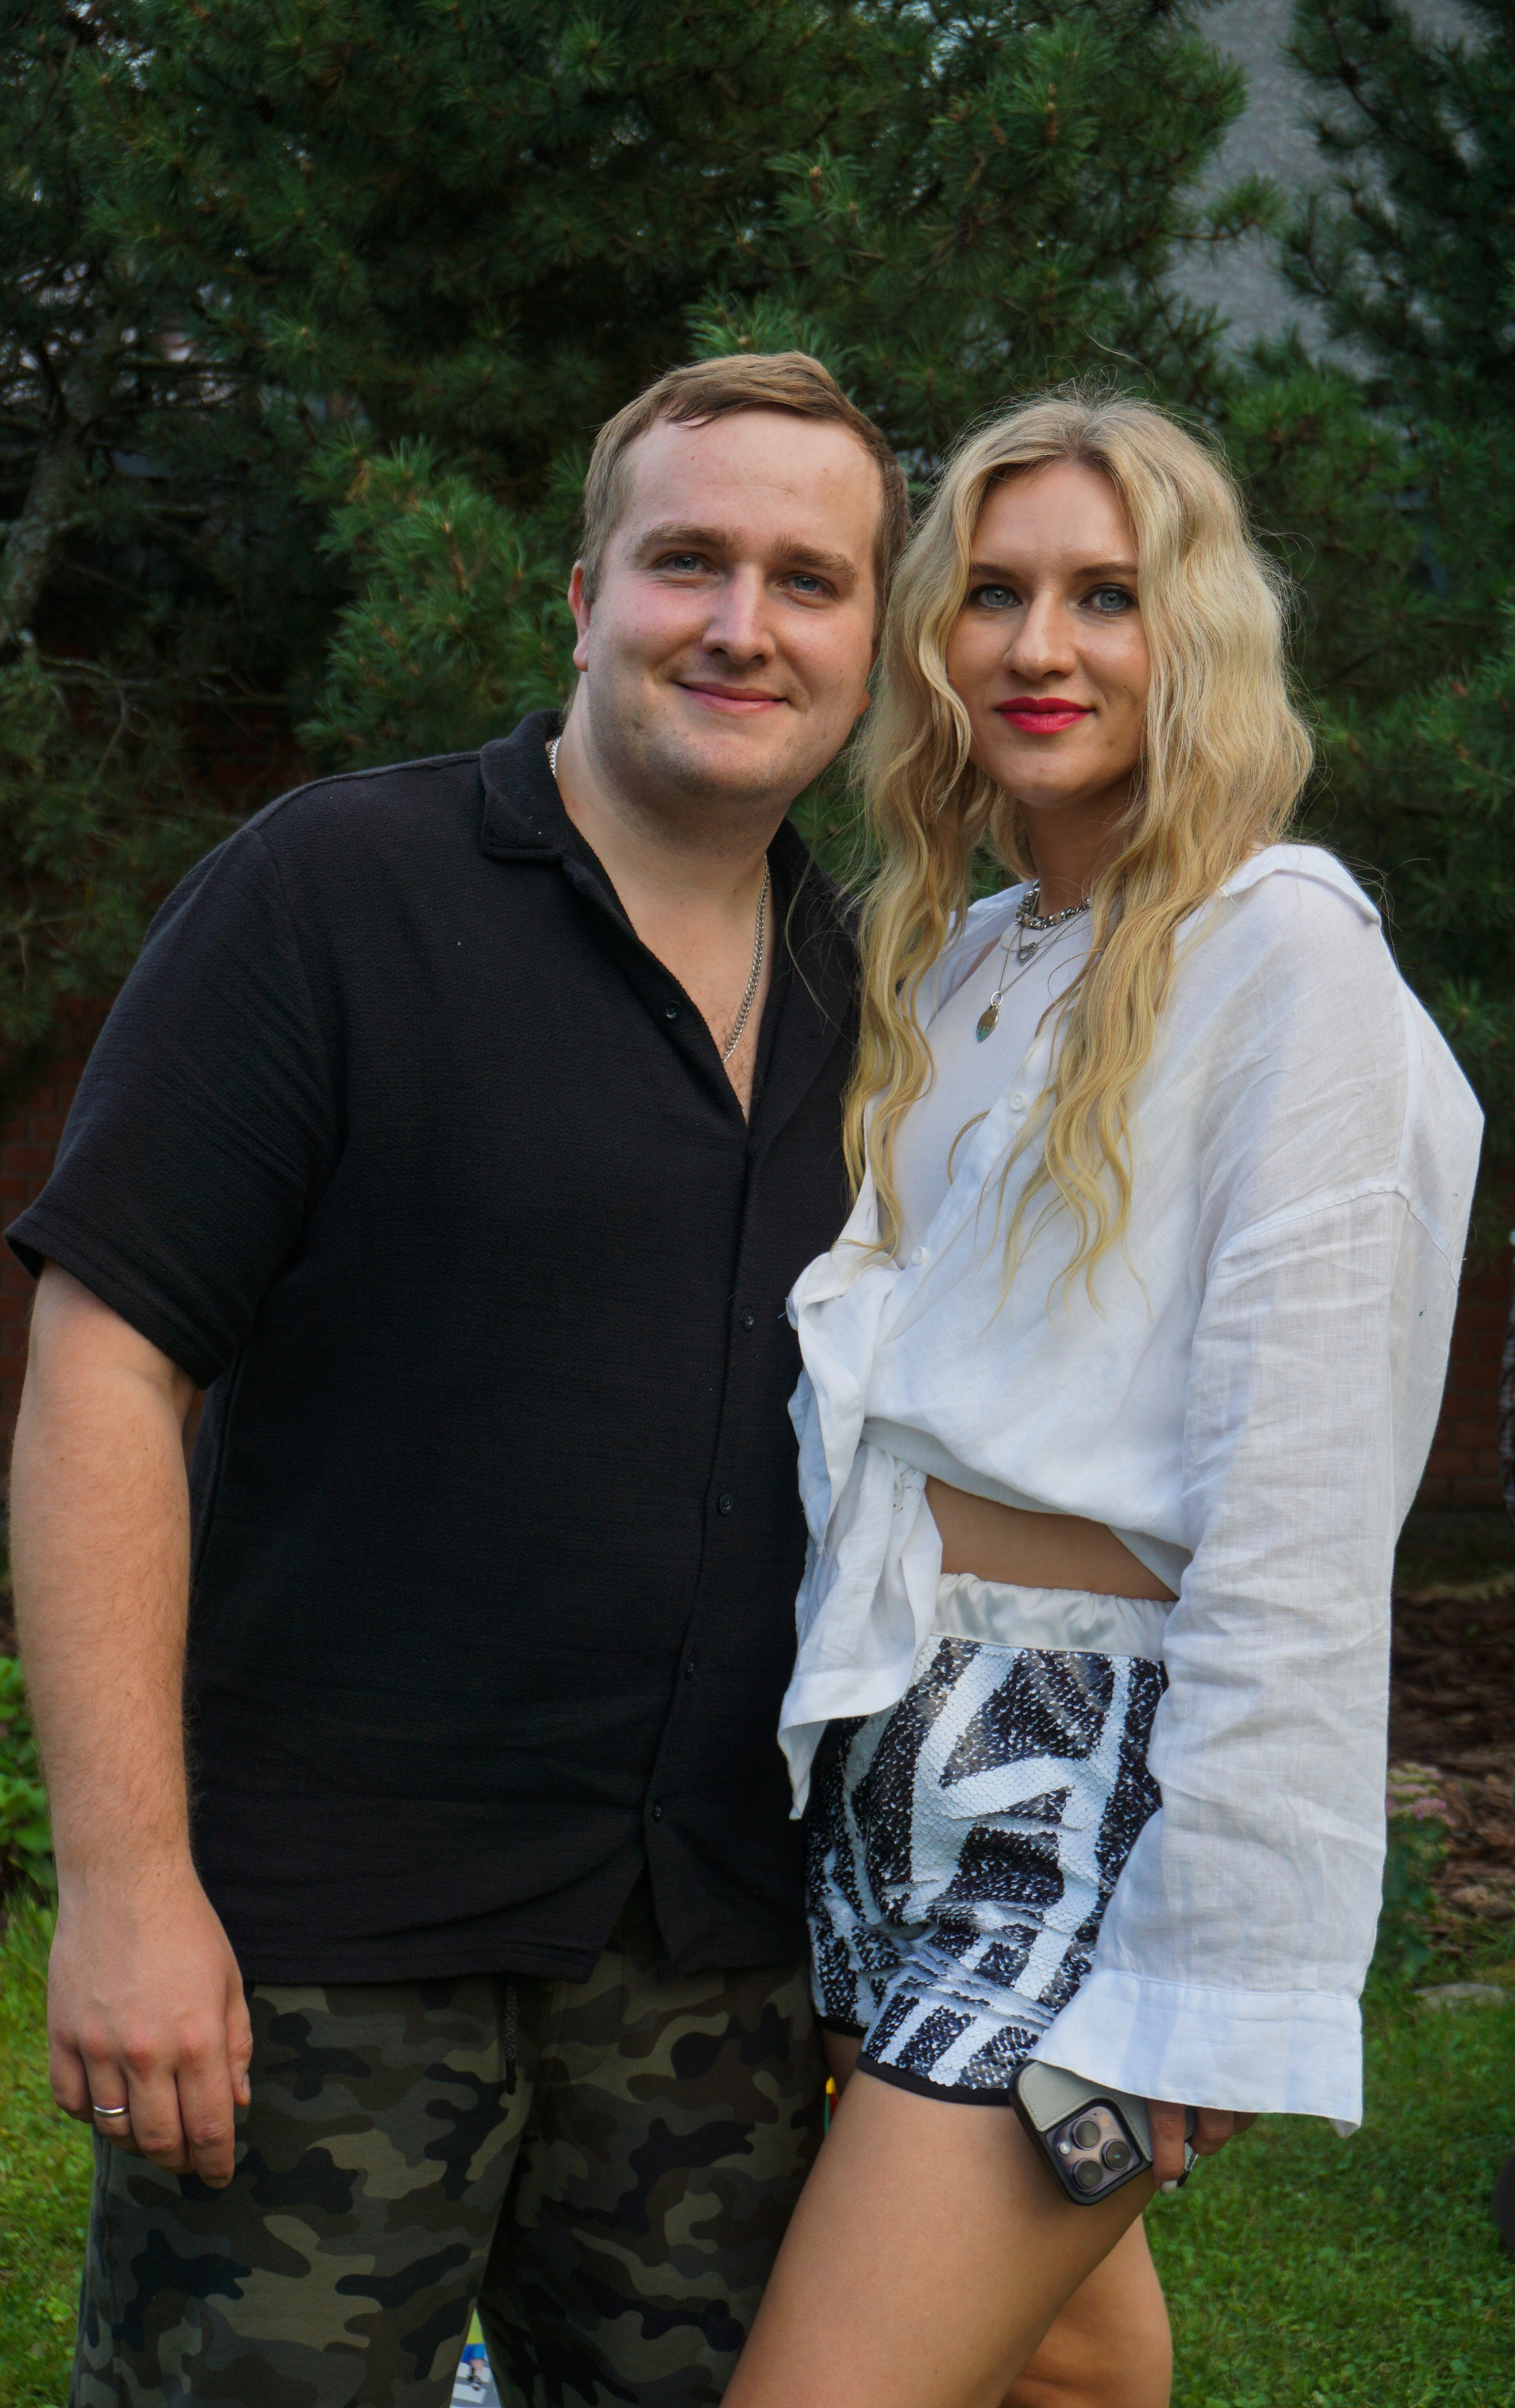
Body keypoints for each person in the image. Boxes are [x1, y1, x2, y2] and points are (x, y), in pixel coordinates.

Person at [5, 350, 904, 2407]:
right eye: (685, 562)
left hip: (717, 1962)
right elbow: (103, 1368)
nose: (742, 624)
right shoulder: (331, 894)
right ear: (582, 598)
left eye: (807, 579)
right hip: (324, 1953)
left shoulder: (883, 987)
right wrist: (127, 1890)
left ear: (870, 645)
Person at [722, 388, 1485, 2408]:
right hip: (880, 1739)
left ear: (1195, 629)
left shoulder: (1286, 957)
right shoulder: (961, 959)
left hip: (1084, 1785)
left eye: (1105, 596)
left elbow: (1306, 1500)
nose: (1039, 647)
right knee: (1063, 2369)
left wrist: (1219, 1959)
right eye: (991, 595)